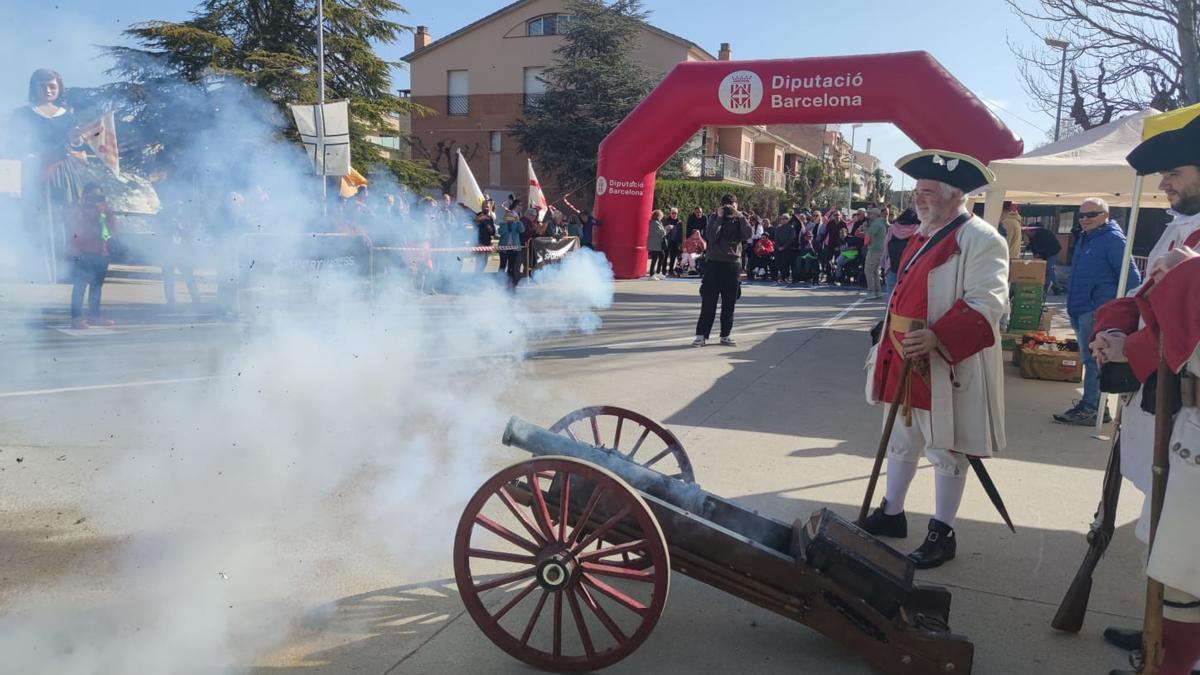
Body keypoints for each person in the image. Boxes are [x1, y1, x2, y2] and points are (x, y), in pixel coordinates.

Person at [861, 150, 1009, 569]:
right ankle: (892, 512)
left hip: (943, 359)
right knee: (901, 439)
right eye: (917, 191)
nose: (918, 199)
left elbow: (989, 303)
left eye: (928, 192)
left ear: (954, 195)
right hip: (902, 353)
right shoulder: (923, 235)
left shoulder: (982, 239)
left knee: (945, 447)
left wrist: (939, 336)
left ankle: (942, 532)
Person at [1090, 113, 1200, 675]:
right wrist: (1110, 329)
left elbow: (1182, 324)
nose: (1164, 185)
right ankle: (1165, 634)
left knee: (1183, 558)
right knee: (1166, 542)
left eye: (1175, 172)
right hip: (1173, 413)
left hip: (1191, 414)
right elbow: (1142, 296)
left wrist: (1131, 343)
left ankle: (1172, 655)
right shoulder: (1181, 228)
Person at [1052, 198, 1141, 425]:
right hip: (1080, 308)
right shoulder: (1087, 238)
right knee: (1089, 359)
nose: (1084, 220)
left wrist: (1115, 310)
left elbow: (1131, 277)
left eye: (1091, 215)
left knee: (1094, 360)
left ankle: (1092, 407)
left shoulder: (1112, 240)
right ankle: (1096, 406)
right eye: (1081, 215)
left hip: (1095, 311)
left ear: (1105, 215)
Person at [693, 194, 751, 347]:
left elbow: (748, 234)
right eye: (727, 205)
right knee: (708, 302)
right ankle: (701, 335)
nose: (729, 208)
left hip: (732, 264)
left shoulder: (740, 219)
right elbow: (711, 237)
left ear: (737, 205)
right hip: (714, 263)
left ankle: (725, 334)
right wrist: (719, 218)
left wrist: (739, 216)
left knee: (729, 303)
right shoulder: (713, 217)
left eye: (732, 205)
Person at [67, 184, 116, 328]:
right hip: (82, 253)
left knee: (96, 286)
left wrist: (107, 213)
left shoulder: (104, 211)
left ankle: (94, 316)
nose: (96, 200)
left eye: (99, 197)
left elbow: (112, 230)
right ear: (86, 196)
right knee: (80, 286)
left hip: (101, 252)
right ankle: (76, 318)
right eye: (93, 196)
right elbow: (74, 228)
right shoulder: (77, 209)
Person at [159, 199, 202, 310]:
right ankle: (170, 301)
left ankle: (196, 301)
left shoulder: (187, 219)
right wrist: (170, 225)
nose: (178, 208)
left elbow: (190, 233)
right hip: (168, 252)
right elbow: (160, 231)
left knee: (189, 277)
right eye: (176, 206)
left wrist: (179, 227)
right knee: (168, 278)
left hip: (183, 253)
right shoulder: (164, 217)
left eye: (180, 206)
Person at [883, 208, 921, 295]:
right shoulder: (918, 229)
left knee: (891, 298)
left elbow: (885, 248)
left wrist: (884, 264)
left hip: (892, 267)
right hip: (910, 269)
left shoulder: (892, 228)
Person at [1026, 223, 1063, 294]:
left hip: (1052, 251)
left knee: (1049, 268)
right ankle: (1047, 287)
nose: (1028, 233)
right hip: (1046, 253)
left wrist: (1040, 253)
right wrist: (1033, 252)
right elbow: (1032, 245)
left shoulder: (1044, 234)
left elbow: (1048, 246)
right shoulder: (1032, 236)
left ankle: (1057, 287)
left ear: (1034, 230)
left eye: (1030, 231)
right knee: (1046, 269)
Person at [497, 202, 525, 287]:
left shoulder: (517, 224)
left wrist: (518, 221)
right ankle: (500, 282)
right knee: (502, 265)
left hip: (514, 249)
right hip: (504, 249)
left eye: (511, 217)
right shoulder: (502, 224)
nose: (509, 218)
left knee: (511, 266)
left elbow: (522, 230)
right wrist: (506, 223)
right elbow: (501, 233)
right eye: (508, 217)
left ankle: (511, 282)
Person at [863, 206, 888, 299]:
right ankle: (877, 290)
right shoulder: (881, 223)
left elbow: (869, 234)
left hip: (874, 250)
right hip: (880, 249)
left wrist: (865, 228)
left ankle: (871, 291)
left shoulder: (876, 223)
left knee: (868, 270)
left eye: (870, 213)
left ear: (875, 215)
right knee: (874, 271)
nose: (869, 215)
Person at [474, 198, 497, 273]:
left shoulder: (490, 218)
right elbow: (473, 224)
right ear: (482, 207)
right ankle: (476, 279)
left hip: (487, 243)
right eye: (484, 206)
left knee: (485, 264)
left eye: (487, 206)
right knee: (478, 264)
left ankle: (481, 279)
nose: (486, 208)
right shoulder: (477, 216)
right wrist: (479, 220)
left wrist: (489, 227)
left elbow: (493, 232)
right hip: (479, 244)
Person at [646, 209, 667, 279]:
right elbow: (662, 232)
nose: (662, 217)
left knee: (662, 256)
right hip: (655, 244)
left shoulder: (658, 222)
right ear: (658, 216)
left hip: (658, 244)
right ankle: (651, 274)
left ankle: (658, 272)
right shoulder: (654, 223)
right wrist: (666, 229)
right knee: (655, 258)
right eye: (661, 216)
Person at [663, 207, 683, 276]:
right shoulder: (666, 220)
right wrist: (667, 227)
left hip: (675, 242)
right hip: (667, 241)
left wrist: (680, 243)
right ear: (670, 213)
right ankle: (663, 270)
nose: (674, 214)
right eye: (673, 213)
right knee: (665, 256)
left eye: (676, 213)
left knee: (673, 257)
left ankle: (671, 271)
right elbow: (662, 230)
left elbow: (680, 233)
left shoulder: (679, 222)